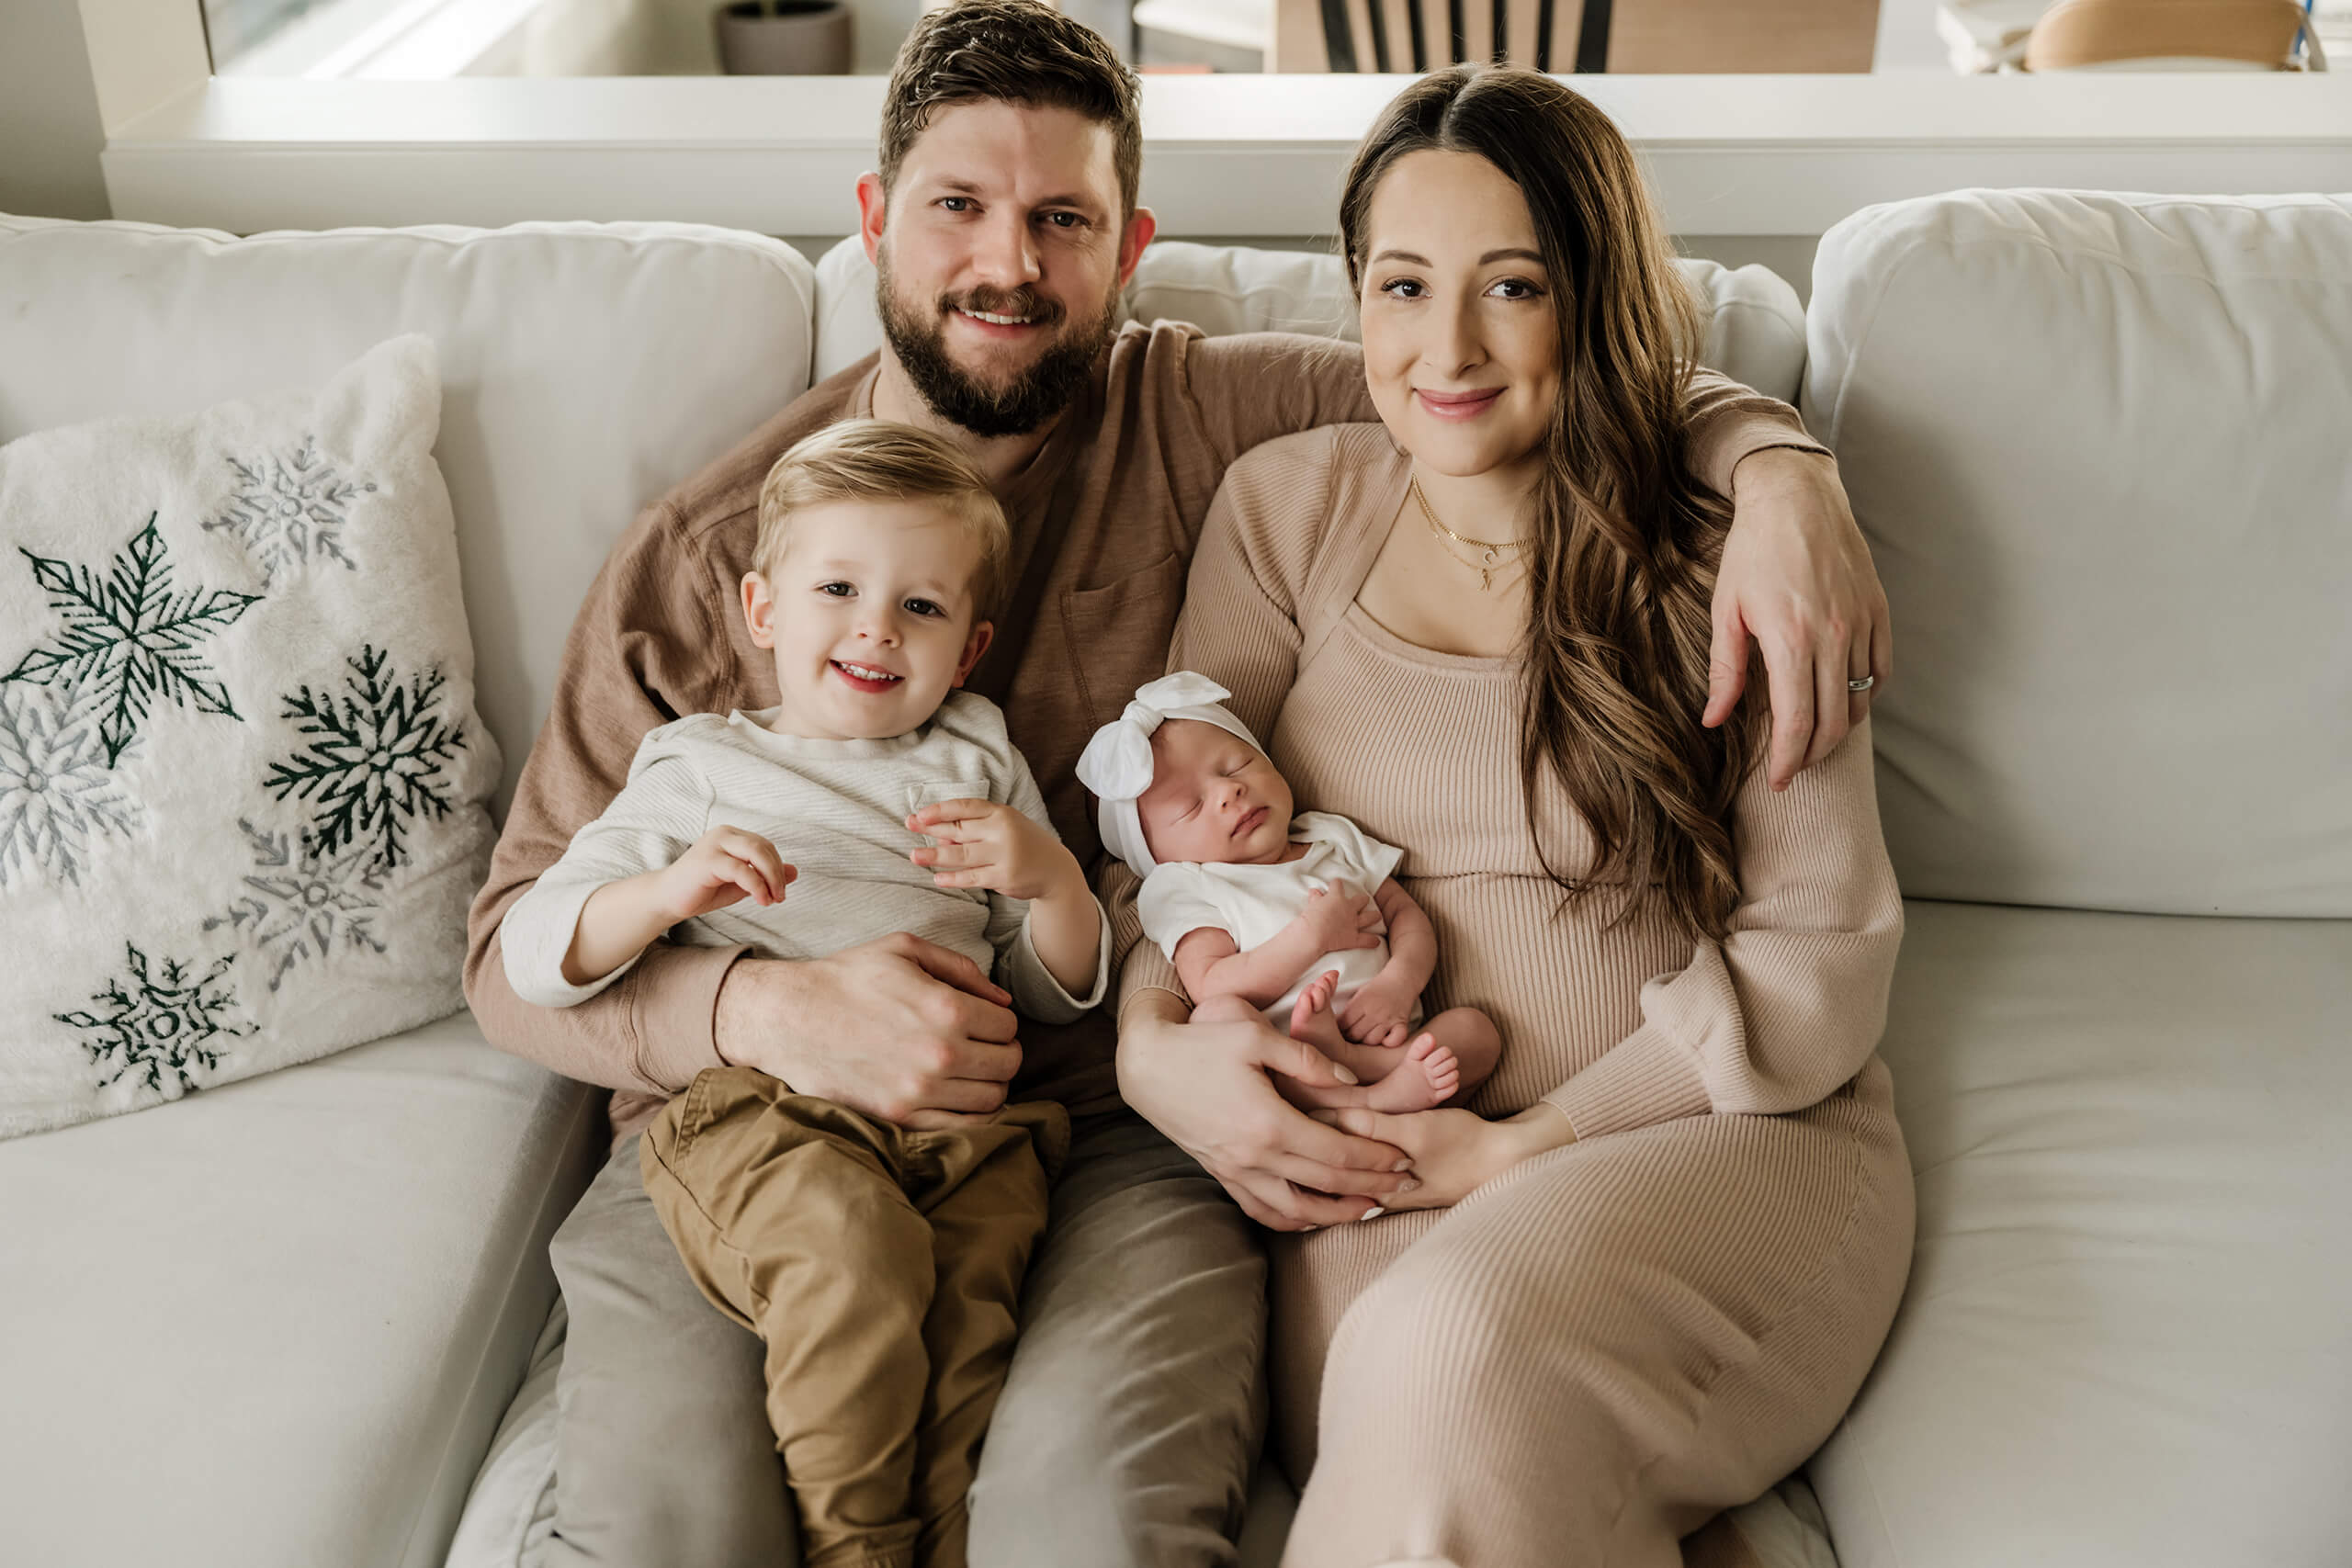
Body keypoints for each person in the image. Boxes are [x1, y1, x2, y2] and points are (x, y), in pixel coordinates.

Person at [460, 4, 1895, 1562]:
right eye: (957, 207)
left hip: (1098, 1143)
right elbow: (507, 952)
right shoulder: (702, 558)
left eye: (1060, 219)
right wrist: (753, 1011)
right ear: (874, 220)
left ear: (1127, 247)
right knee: (669, 1529)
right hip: (734, 1116)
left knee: (1101, 1524)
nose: (1008, 264)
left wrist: (1780, 467)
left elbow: (1512, 380)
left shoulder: (1214, 418)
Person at [1116, 65, 1915, 1566]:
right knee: (1421, 1404)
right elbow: (1163, 849)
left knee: (1457, 1347)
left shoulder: (1726, 552)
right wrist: (1160, 1048)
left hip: (1723, 1135)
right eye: (1403, 286)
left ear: (1591, 297)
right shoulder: (1283, 509)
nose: (1449, 348)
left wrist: (1525, 1144)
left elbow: (1820, 959)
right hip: (1388, 1153)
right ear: (1353, 296)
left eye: (1514, 287)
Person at [496, 421, 1107, 1568]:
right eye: (838, 588)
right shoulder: (699, 765)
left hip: (967, 1137)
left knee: (961, 1353)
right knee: (850, 1262)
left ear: (968, 649)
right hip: (758, 1115)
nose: (878, 625)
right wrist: (667, 888)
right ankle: (854, 1548)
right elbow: (536, 950)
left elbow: (1052, 994)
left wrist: (1055, 882)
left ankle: (925, 1538)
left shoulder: (978, 756)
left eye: (921, 609)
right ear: (763, 610)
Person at [1075, 671, 1500, 1116]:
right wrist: (1310, 938)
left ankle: (1380, 1085)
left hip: (1393, 1034)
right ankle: (1364, 1099)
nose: (1228, 791)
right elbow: (1211, 984)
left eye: (1237, 765)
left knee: (1477, 1032)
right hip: (1292, 1068)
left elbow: (1407, 917)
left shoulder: (1330, 838)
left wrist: (1399, 982)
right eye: (1191, 807)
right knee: (1215, 1019)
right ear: (1155, 857)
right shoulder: (1188, 887)